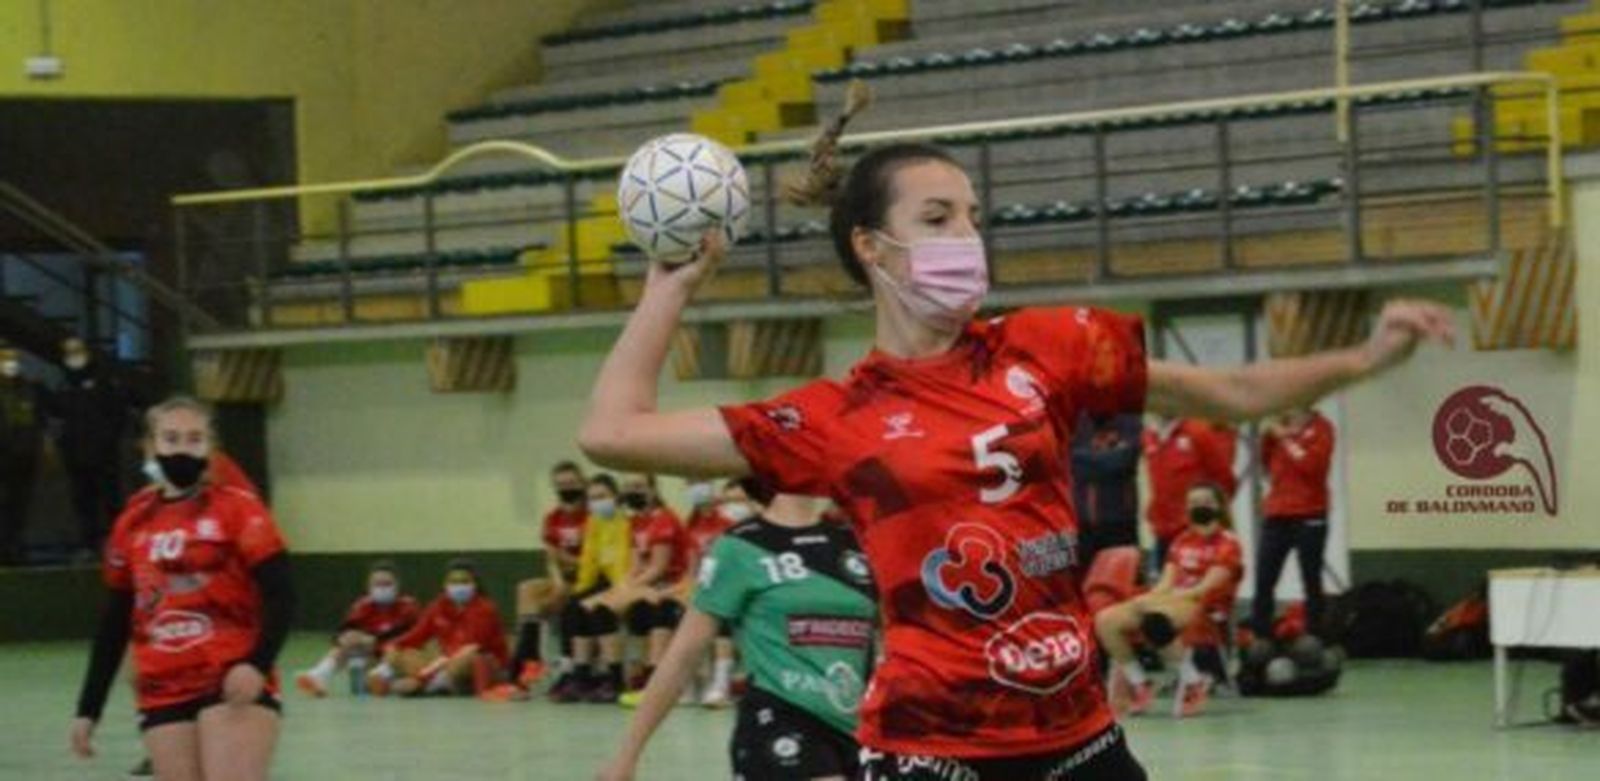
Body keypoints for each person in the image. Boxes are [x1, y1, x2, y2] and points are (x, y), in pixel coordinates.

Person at [576, 88, 1455, 779]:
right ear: (872, 249)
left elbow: (1229, 388)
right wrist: (671, 287)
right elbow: (613, 432)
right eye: (937, 219)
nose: (968, 236)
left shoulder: (1049, 347)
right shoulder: (833, 417)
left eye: (972, 215)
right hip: (932, 747)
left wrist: (1367, 356)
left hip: (1073, 733)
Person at [70, 395, 294, 780]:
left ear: (210, 446)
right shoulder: (133, 521)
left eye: (194, 439)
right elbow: (115, 620)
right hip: (163, 686)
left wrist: (256, 663)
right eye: (171, 439)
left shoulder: (239, 509)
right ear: (152, 446)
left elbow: (282, 595)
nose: (182, 448)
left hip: (229, 676)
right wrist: (89, 709)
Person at [597, 485, 878, 781]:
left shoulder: (854, 540)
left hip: (854, 727)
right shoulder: (741, 546)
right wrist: (627, 755)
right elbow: (683, 654)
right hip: (779, 719)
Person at [1095, 482, 1243, 718]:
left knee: (1155, 621)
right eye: (1193, 503)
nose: (1199, 507)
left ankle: (1194, 683)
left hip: (1205, 607)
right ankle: (1141, 684)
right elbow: (1166, 583)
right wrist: (1147, 598)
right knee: (1106, 620)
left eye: (1205, 502)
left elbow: (1205, 588)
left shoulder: (1228, 543)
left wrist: (1159, 601)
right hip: (1173, 602)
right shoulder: (1182, 540)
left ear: (1219, 506)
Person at [367, 558, 509, 698]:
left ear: (475, 584)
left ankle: (425, 685)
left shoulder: (485, 609)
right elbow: (415, 636)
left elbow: (468, 649)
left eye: (464, 581)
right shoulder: (437, 606)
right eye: (453, 581)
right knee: (404, 653)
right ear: (445, 584)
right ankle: (384, 675)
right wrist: (392, 648)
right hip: (445, 666)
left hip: (483, 666)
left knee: (468, 654)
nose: (459, 586)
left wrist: (422, 677)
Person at [1251, 407, 1336, 638]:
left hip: (1311, 514)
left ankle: (1315, 635)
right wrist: (1268, 437)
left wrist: (1285, 438)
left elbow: (1313, 468)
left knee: (1311, 578)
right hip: (1277, 514)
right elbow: (1266, 464)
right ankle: (1260, 635)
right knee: (1264, 579)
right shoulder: (1278, 425)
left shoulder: (1322, 428)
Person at [550, 474, 635, 703]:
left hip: (625, 581)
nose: (598, 502)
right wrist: (581, 590)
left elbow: (624, 561)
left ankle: (615, 678)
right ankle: (580, 674)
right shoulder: (594, 523)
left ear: (615, 496)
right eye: (593, 498)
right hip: (603, 580)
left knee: (600, 609)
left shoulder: (627, 522)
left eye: (602, 496)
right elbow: (589, 560)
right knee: (574, 607)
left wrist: (616, 591)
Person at [46, 337, 134, 556]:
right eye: (69, 352)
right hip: (75, 455)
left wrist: (108, 440)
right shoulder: (61, 385)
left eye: (78, 350)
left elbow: (118, 414)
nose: (74, 356)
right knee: (83, 501)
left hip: (104, 454)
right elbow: (56, 416)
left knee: (111, 499)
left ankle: (118, 543)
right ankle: (88, 543)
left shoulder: (105, 381)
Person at [509, 461, 589, 688]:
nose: (567, 489)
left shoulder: (591, 516)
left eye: (572, 483)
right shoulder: (552, 519)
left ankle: (521, 662)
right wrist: (558, 581)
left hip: (589, 579)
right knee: (527, 589)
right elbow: (551, 558)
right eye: (561, 485)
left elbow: (592, 561)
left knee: (564, 595)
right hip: (564, 580)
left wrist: (568, 560)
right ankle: (530, 656)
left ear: (582, 484)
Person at [295, 560, 421, 697]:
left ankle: (384, 678)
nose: (382, 588)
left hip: (398, 656)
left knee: (394, 650)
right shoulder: (362, 607)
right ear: (369, 586)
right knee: (348, 641)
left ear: (397, 586)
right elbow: (340, 633)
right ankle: (318, 675)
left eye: (387, 584)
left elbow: (411, 636)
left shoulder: (408, 607)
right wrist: (347, 638)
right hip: (373, 655)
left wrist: (372, 640)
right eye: (377, 584)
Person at [618, 473, 689, 694]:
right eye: (629, 487)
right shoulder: (635, 522)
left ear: (653, 489)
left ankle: (656, 675)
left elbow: (658, 568)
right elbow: (636, 566)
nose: (633, 492)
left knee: (660, 609)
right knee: (636, 609)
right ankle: (633, 672)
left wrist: (629, 589)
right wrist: (623, 590)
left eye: (639, 487)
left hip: (678, 584)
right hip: (652, 584)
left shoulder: (665, 519)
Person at [1142, 415, 1237, 572]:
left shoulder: (1198, 432)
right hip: (1163, 532)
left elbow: (1224, 480)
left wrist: (1210, 521)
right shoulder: (1149, 436)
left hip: (1196, 532)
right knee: (1166, 591)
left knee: (1201, 591)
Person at [1071, 412, 1142, 567]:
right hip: (1081, 525)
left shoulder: (1132, 423)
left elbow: (1123, 461)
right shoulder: (1075, 422)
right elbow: (1066, 458)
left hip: (1121, 523)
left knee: (1120, 582)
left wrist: (1086, 460)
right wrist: (1108, 459)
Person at [0, 348, 46, 565]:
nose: (10, 364)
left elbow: (39, 419)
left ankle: (14, 546)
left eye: (13, 359)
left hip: (23, 456)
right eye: (5, 360)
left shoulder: (29, 389)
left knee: (18, 504)